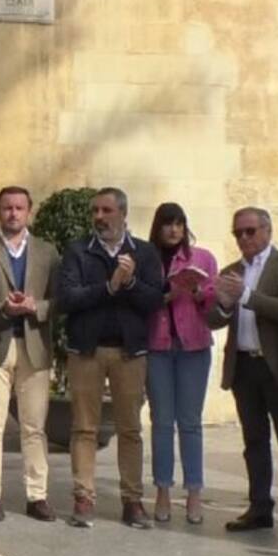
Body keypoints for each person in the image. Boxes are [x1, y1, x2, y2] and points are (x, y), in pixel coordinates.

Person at [56, 187, 165, 529]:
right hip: (87, 350)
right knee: (84, 427)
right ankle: (84, 497)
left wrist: (130, 282)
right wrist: (109, 287)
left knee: (130, 429)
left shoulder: (144, 253)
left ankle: (132, 501)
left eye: (106, 211)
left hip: (130, 352)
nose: (99, 218)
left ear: (123, 213)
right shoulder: (78, 251)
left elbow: (154, 302)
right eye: (95, 212)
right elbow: (68, 298)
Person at [207, 207, 278, 539]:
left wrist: (247, 296)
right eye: (237, 233)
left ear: (267, 231)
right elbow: (213, 320)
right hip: (244, 365)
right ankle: (259, 507)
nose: (243, 239)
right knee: (254, 441)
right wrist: (224, 302)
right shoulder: (231, 271)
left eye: (250, 231)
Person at [0, 186, 59, 522]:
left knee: (34, 426)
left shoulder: (47, 252)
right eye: (7, 208)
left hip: (34, 346)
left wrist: (34, 307)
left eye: (19, 208)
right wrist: (3, 309)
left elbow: (60, 300)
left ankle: (37, 496)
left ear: (29, 211)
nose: (13, 213)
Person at [144, 202, 217, 525]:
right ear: (157, 227)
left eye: (179, 224)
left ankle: (194, 493)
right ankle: (162, 490)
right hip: (157, 346)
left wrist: (200, 291)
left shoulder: (202, 258)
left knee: (190, 422)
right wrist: (165, 296)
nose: (174, 230)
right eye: (168, 224)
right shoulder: (147, 258)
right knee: (161, 422)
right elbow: (140, 301)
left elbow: (215, 303)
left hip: (194, 347)